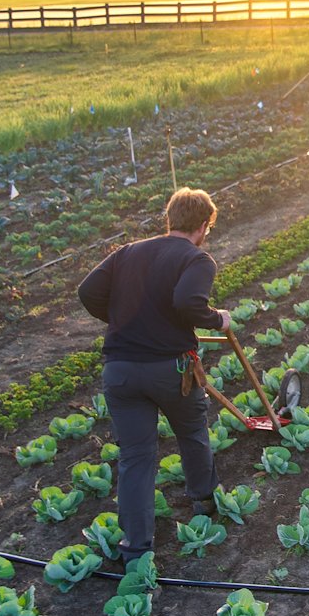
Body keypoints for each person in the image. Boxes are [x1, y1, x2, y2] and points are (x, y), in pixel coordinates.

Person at [77, 187, 231, 563]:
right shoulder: (197, 259)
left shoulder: (127, 252)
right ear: (204, 225)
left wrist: (124, 322)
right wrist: (218, 320)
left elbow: (87, 292)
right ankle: (203, 504)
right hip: (170, 368)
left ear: (170, 219)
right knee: (192, 432)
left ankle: (136, 548)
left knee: (135, 457)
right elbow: (187, 302)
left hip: (120, 371)